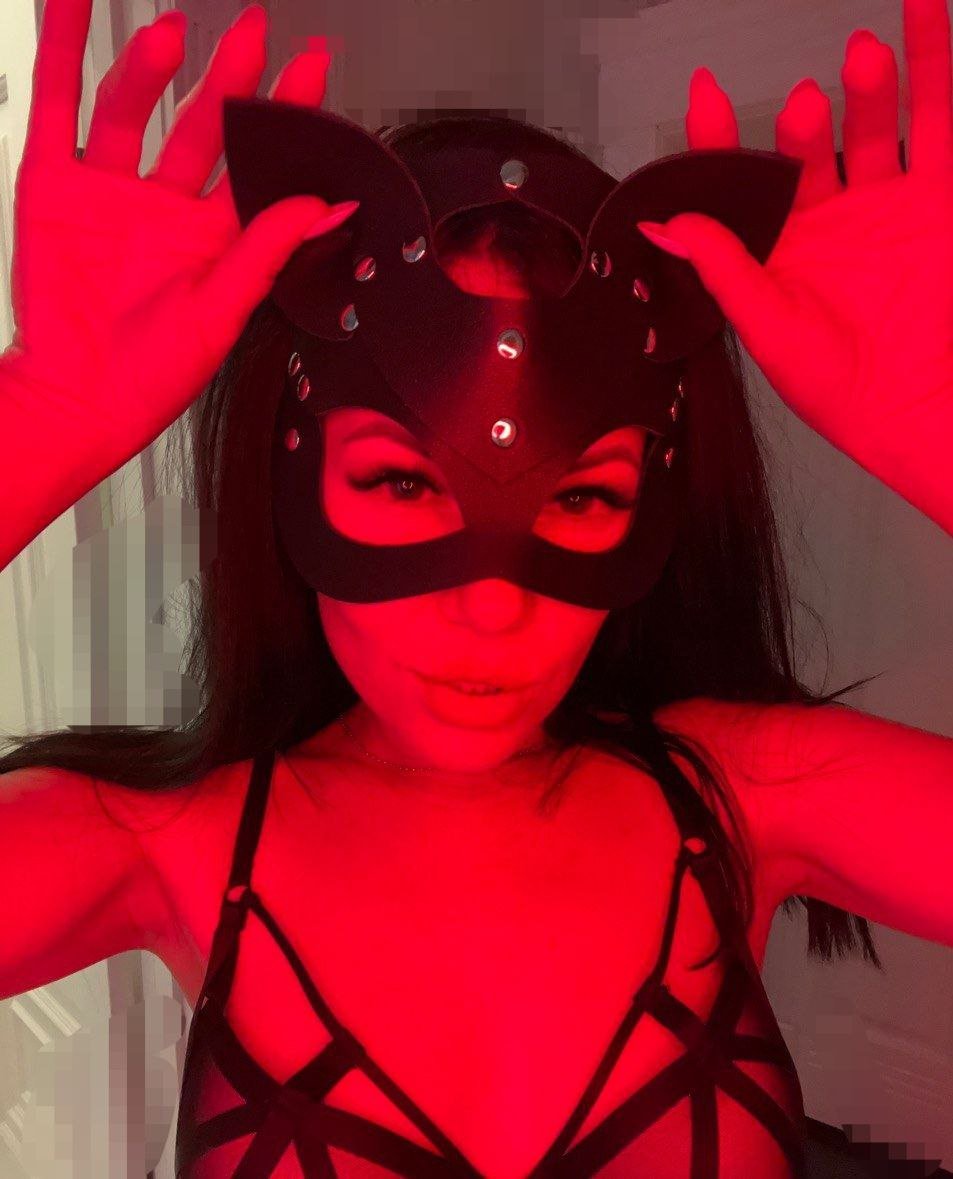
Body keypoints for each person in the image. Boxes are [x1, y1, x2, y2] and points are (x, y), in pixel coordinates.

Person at [1, 0, 951, 1176]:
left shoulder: (749, 797)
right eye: (401, 484)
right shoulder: (169, 848)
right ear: (282, 471)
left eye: (582, 497)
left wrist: (933, 425)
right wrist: (43, 416)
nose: (494, 610)